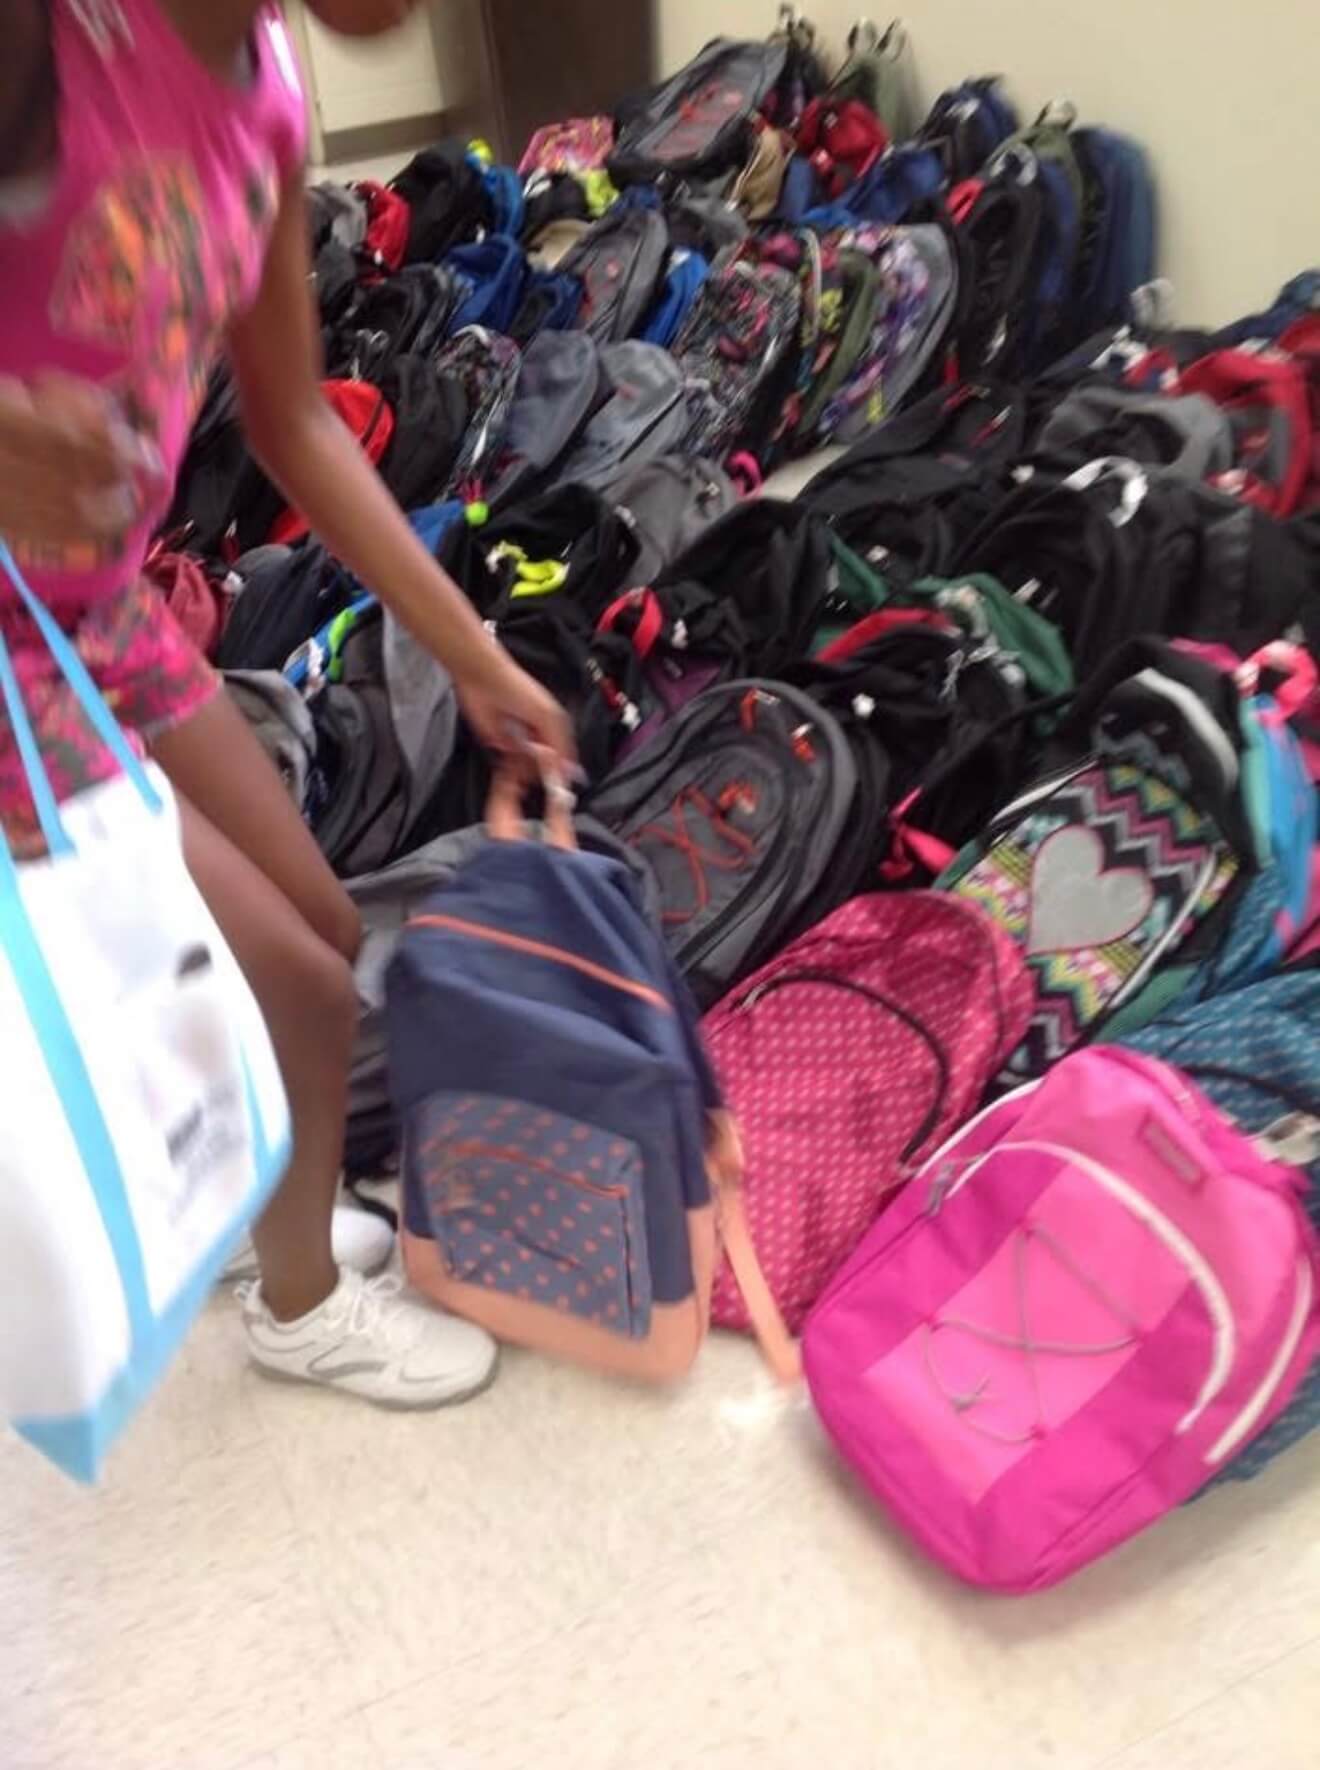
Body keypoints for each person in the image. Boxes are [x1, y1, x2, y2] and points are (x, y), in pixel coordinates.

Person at [0, 0, 575, 1407]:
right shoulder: (55, 41)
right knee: (298, 986)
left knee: (322, 927)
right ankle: (302, 1304)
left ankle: (258, 1216)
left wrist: (477, 659)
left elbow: (295, 419)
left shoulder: (262, 97)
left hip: (98, 610)